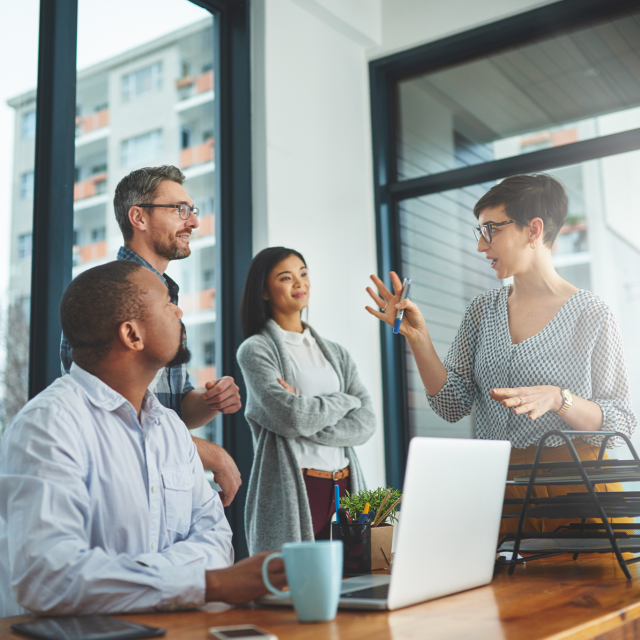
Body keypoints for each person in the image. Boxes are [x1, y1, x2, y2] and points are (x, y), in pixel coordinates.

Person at [0, 261, 285, 617]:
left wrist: (141, 580)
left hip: (174, 629)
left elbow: (215, 539)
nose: (179, 310)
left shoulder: (170, 428)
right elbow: (48, 577)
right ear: (132, 335)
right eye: (168, 303)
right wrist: (205, 584)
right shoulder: (48, 426)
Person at [366, 173, 637, 534]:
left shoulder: (592, 313)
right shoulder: (482, 310)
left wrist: (560, 398)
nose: (481, 246)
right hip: (498, 490)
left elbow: (621, 420)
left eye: (490, 230)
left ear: (533, 230)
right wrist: (418, 338)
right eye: (479, 232)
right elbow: (451, 405)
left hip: (577, 489)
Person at [60, 165, 242, 506]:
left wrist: (208, 400)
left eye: (193, 211)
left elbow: (176, 408)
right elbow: (111, 417)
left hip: (165, 481)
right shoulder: (104, 295)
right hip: (123, 489)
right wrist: (208, 453)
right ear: (139, 218)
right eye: (180, 210)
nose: (193, 222)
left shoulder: (168, 299)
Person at [237, 247, 376, 554]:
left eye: (303, 273)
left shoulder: (336, 353)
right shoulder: (256, 350)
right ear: (263, 291)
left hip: (345, 484)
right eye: (286, 278)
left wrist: (306, 410)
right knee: (296, 589)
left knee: (355, 586)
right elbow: (293, 418)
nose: (300, 283)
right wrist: (345, 400)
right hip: (298, 485)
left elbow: (366, 424)